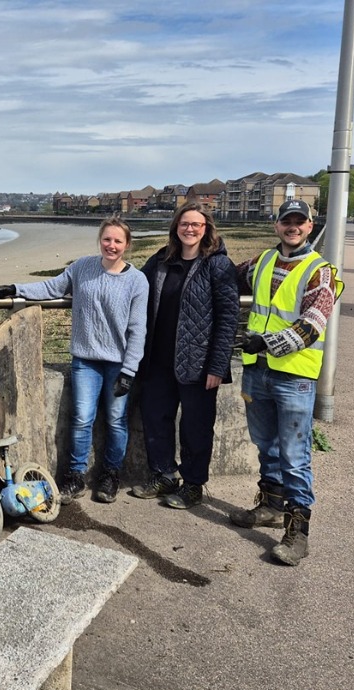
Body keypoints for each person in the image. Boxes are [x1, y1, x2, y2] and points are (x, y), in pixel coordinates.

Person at [0, 216, 148, 504]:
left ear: (127, 245)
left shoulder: (137, 280)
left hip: (118, 363)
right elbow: (52, 288)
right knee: (81, 419)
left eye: (117, 241)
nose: (111, 245)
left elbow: (138, 330)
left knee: (115, 420)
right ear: (100, 239)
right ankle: (75, 477)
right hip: (85, 361)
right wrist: (16, 289)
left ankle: (110, 475)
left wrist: (129, 370)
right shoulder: (82, 267)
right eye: (107, 239)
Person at [230, 198, 343, 566]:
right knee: (266, 445)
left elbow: (313, 323)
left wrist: (267, 342)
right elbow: (227, 274)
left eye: (300, 222)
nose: (292, 227)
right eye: (286, 221)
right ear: (276, 225)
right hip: (257, 371)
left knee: (295, 456)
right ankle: (271, 506)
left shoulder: (319, 271)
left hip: (294, 375)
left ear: (310, 226)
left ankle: (298, 533)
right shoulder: (262, 261)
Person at [128, 203, 239, 509]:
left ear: (207, 229)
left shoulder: (217, 265)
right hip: (157, 360)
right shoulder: (162, 260)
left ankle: (193, 484)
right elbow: (133, 286)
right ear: (176, 227)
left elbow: (228, 317)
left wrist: (218, 365)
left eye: (196, 225)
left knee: (196, 426)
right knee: (155, 419)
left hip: (199, 363)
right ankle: (164, 474)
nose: (189, 229)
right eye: (184, 224)